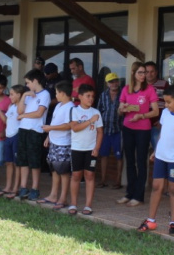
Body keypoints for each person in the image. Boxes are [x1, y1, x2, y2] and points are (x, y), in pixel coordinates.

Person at [138, 84, 174, 235]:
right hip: (161, 156)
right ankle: (151, 220)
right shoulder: (165, 114)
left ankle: (173, 223)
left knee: (173, 189)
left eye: (169, 102)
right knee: (157, 186)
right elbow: (163, 134)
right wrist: (156, 151)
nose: (167, 105)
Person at [117, 62, 159, 206]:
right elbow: (119, 110)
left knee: (141, 161)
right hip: (128, 127)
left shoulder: (149, 90)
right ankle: (129, 193)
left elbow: (155, 111)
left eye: (145, 72)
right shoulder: (126, 89)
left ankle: (139, 195)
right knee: (129, 161)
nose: (144, 75)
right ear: (133, 73)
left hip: (143, 129)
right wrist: (122, 109)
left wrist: (141, 116)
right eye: (141, 72)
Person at [69, 84, 103, 215]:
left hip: (91, 149)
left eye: (92, 96)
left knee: (89, 175)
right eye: (88, 96)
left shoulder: (96, 112)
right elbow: (75, 128)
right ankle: (73, 203)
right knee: (76, 175)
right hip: (77, 148)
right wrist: (90, 121)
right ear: (80, 97)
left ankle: (88, 204)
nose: (91, 99)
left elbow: (100, 132)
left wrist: (97, 148)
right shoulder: (74, 110)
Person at [16, 69, 50, 201]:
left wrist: (24, 115)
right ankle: (23, 186)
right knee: (23, 160)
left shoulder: (45, 94)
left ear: (36, 81)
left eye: (28, 82)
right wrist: (24, 96)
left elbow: (39, 113)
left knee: (34, 161)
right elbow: (19, 110)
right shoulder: (28, 94)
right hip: (23, 129)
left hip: (35, 131)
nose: (27, 85)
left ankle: (35, 188)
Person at [41, 81, 75, 209]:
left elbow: (68, 125)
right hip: (54, 141)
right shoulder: (59, 105)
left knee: (64, 171)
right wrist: (48, 136)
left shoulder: (70, 107)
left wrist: (50, 128)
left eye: (56, 93)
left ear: (62, 93)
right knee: (54, 169)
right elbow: (55, 121)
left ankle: (63, 198)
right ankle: (53, 195)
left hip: (64, 143)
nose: (55, 95)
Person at [97, 72, 123, 190]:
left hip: (119, 129)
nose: (114, 84)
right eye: (111, 82)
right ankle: (103, 180)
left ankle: (118, 181)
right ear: (107, 83)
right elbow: (99, 110)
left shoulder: (123, 94)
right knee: (104, 155)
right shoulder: (103, 95)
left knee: (119, 156)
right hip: (105, 129)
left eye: (115, 81)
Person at [0, 84, 25, 198]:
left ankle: (15, 187)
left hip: (16, 136)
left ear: (19, 95)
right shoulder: (11, 106)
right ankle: (8, 186)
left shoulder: (22, 106)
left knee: (16, 163)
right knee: (9, 163)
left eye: (12, 94)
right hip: (8, 136)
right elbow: (6, 120)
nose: (10, 96)